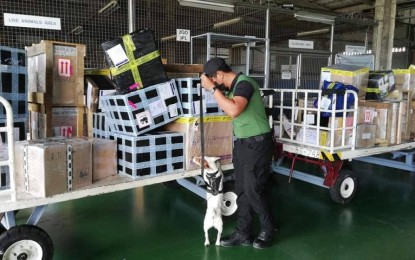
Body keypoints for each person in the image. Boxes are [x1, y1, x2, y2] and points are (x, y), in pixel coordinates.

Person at [200, 57, 276, 249]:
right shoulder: (234, 89)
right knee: (241, 191)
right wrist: (215, 90)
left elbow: (234, 110)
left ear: (219, 74)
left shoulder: (244, 84)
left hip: (257, 145)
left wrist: (212, 89)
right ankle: (243, 233)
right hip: (242, 145)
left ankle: (268, 228)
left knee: (253, 192)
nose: (215, 84)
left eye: (214, 80)